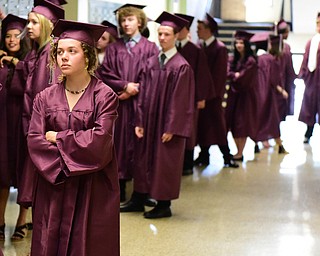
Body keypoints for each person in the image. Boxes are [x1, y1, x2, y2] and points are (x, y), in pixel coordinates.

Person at [27, 19, 120, 255]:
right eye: (60, 52)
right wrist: (70, 153)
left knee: (88, 242)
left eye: (72, 51)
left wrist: (58, 137)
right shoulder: (44, 98)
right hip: (54, 183)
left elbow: (100, 142)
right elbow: (35, 140)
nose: (64, 57)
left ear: (87, 56)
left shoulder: (104, 96)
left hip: (92, 186)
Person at [132, 11, 195, 218]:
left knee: (165, 161)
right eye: (160, 33)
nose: (162, 38)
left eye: (167, 34)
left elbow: (181, 102)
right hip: (149, 121)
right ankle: (140, 197)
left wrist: (172, 127)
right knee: (144, 159)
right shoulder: (151, 63)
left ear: (176, 36)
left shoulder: (181, 66)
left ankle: (164, 204)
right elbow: (142, 94)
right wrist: (139, 120)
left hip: (166, 124)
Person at [96, 4, 159, 203]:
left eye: (130, 19)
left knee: (141, 146)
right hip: (120, 105)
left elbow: (153, 76)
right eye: (123, 20)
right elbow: (105, 73)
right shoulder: (114, 48)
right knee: (119, 145)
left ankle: (141, 192)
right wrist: (124, 86)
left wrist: (134, 90)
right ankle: (119, 189)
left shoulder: (150, 48)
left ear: (139, 21)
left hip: (142, 105)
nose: (126, 23)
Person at [13, 0, 65, 209]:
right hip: (34, 129)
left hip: (45, 133)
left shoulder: (54, 54)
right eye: (28, 22)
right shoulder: (36, 53)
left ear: (47, 25)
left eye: (34, 22)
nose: (29, 27)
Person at [0, 14, 31, 241]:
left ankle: (22, 221)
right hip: (2, 124)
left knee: (23, 173)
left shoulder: (30, 61)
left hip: (23, 122)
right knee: (2, 174)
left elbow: (33, 83)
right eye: (8, 36)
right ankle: (0, 221)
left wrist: (15, 63)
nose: (11, 40)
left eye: (16, 36)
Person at [195, 13, 239, 168]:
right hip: (201, 96)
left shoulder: (219, 48)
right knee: (202, 126)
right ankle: (204, 155)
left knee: (218, 127)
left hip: (213, 97)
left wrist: (208, 96)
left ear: (209, 30)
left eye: (200, 28)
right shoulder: (199, 46)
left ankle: (226, 156)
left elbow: (219, 75)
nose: (197, 31)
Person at [174, 13, 215, 175]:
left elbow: (202, 75)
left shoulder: (195, 50)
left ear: (185, 30)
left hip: (190, 98)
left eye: (178, 29)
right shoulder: (172, 48)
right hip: (174, 99)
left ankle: (187, 164)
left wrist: (201, 97)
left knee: (189, 131)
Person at [250, 33, 288, 154]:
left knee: (258, 119)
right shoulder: (271, 59)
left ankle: (255, 144)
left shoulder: (256, 58)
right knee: (273, 120)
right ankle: (280, 146)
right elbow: (274, 79)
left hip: (256, 93)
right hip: (268, 95)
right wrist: (282, 90)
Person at [226, 30, 258, 161]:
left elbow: (244, 78)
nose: (239, 45)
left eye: (241, 43)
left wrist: (236, 76)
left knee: (242, 124)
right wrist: (236, 75)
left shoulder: (251, 61)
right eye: (237, 42)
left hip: (246, 96)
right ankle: (237, 150)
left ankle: (240, 152)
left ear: (246, 44)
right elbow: (227, 73)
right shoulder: (232, 58)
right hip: (233, 94)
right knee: (233, 123)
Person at [298, 12, 320, 144]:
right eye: (317, 23)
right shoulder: (311, 41)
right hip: (312, 79)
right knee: (310, 106)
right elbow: (306, 59)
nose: (319, 26)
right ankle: (309, 132)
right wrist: (303, 74)